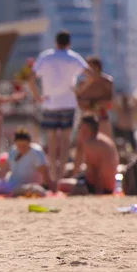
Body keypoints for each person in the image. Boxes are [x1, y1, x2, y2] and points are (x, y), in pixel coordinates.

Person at [27, 30, 94, 181]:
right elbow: (91, 75)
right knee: (65, 142)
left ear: (55, 42)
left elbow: (30, 78)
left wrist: (38, 96)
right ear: (69, 43)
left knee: (51, 142)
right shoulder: (73, 57)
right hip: (68, 104)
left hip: (49, 104)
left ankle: (52, 175)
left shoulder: (46, 57)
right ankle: (60, 174)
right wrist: (78, 91)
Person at [58, 116, 119, 195]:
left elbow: (96, 171)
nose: (79, 131)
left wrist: (99, 192)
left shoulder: (91, 144)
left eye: (81, 128)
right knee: (69, 174)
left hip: (100, 186)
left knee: (61, 184)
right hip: (105, 184)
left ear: (87, 129)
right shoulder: (100, 139)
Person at [75, 56, 113, 137]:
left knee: (105, 141)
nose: (86, 69)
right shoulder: (82, 83)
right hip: (85, 120)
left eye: (89, 67)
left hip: (102, 118)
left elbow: (108, 103)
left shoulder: (106, 82)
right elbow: (79, 102)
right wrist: (94, 104)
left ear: (96, 67)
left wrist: (91, 104)